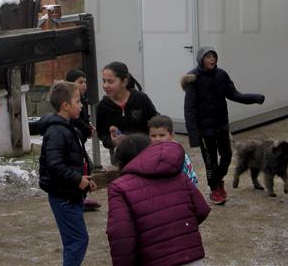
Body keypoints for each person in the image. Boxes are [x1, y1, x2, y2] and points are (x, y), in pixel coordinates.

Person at [107, 134, 210, 266]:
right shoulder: (176, 173)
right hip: (190, 258)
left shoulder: (119, 187)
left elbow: (121, 236)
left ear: (120, 161)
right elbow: (202, 209)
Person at [181, 46, 265, 205]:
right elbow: (189, 109)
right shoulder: (193, 78)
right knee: (210, 162)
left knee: (226, 157)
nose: (212, 59)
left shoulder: (221, 75)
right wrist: (193, 135)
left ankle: (218, 180)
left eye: (214, 56)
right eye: (208, 57)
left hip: (221, 126)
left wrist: (254, 98)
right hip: (205, 130)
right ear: (201, 59)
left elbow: (234, 94)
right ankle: (215, 189)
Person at [37, 80, 97, 266]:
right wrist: (77, 180)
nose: (81, 105)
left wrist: (85, 178)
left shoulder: (68, 126)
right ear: (65, 105)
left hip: (71, 193)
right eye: (78, 101)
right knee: (78, 241)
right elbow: (55, 165)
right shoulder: (56, 131)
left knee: (74, 241)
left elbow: (72, 161)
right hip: (64, 196)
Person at [95, 61, 158, 159]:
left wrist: (152, 138)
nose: (106, 85)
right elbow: (101, 133)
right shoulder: (102, 106)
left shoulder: (140, 98)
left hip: (145, 151)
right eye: (104, 81)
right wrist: (112, 142)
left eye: (110, 82)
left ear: (124, 81)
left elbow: (156, 120)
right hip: (120, 156)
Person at [65, 68, 101, 211]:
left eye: (85, 82)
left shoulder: (83, 101)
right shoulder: (69, 103)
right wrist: (87, 129)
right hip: (75, 142)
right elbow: (76, 121)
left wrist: (89, 127)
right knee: (81, 168)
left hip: (81, 141)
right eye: (80, 82)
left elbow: (84, 119)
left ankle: (82, 197)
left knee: (85, 166)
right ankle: (79, 198)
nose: (84, 85)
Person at [148, 114, 199, 185]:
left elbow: (191, 179)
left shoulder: (181, 156)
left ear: (171, 135)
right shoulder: (146, 156)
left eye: (162, 135)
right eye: (153, 136)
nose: (157, 139)